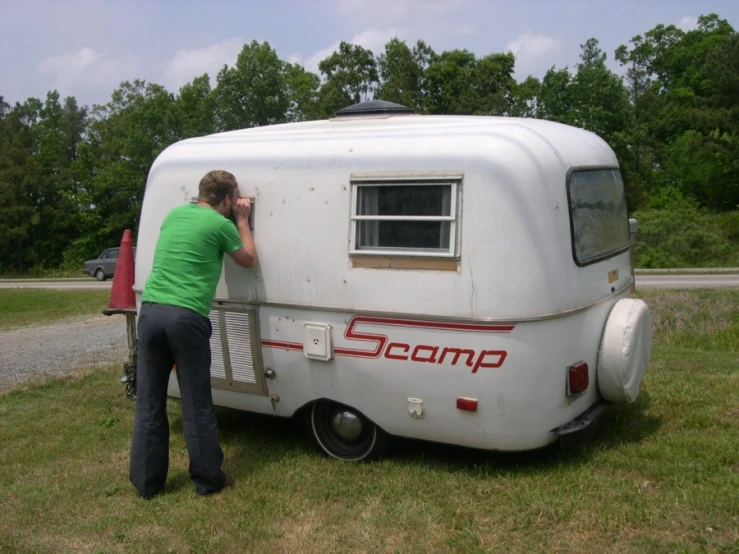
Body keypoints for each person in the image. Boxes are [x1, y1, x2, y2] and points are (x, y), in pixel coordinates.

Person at [129, 169, 257, 499]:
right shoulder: (220, 224)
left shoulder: (174, 215)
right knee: (196, 402)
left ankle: (146, 483)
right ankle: (207, 479)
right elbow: (248, 260)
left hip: (152, 312)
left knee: (149, 401)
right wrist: (242, 221)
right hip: (186, 317)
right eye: (233, 201)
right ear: (227, 199)